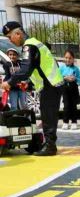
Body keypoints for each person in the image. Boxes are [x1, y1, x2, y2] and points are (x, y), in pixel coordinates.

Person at [1, 21, 63, 155]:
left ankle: (50, 146)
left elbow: (25, 70)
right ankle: (48, 143)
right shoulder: (35, 43)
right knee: (48, 115)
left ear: (18, 34)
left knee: (48, 116)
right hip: (51, 84)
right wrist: (29, 84)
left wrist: (9, 82)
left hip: (50, 85)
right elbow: (38, 68)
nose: (11, 41)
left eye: (10, 37)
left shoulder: (29, 46)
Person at [59, 49, 80, 130]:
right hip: (65, 88)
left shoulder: (76, 69)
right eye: (66, 58)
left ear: (73, 59)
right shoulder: (61, 68)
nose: (68, 60)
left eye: (70, 58)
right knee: (66, 106)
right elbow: (58, 78)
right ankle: (65, 122)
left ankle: (74, 122)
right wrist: (65, 77)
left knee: (73, 106)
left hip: (74, 88)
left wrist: (74, 78)